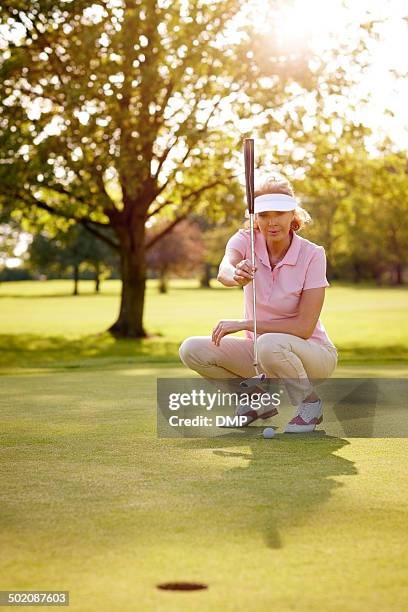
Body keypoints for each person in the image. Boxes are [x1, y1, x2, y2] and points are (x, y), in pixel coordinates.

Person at [179, 175, 338, 433]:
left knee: (267, 342)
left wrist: (244, 324)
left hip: (313, 354)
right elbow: (224, 268)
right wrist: (235, 274)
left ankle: (310, 404)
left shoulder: (313, 254)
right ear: (255, 218)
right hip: (261, 354)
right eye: (264, 215)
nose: (271, 222)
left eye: (279, 213)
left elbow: (303, 328)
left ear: (292, 215)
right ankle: (254, 402)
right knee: (192, 349)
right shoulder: (245, 240)